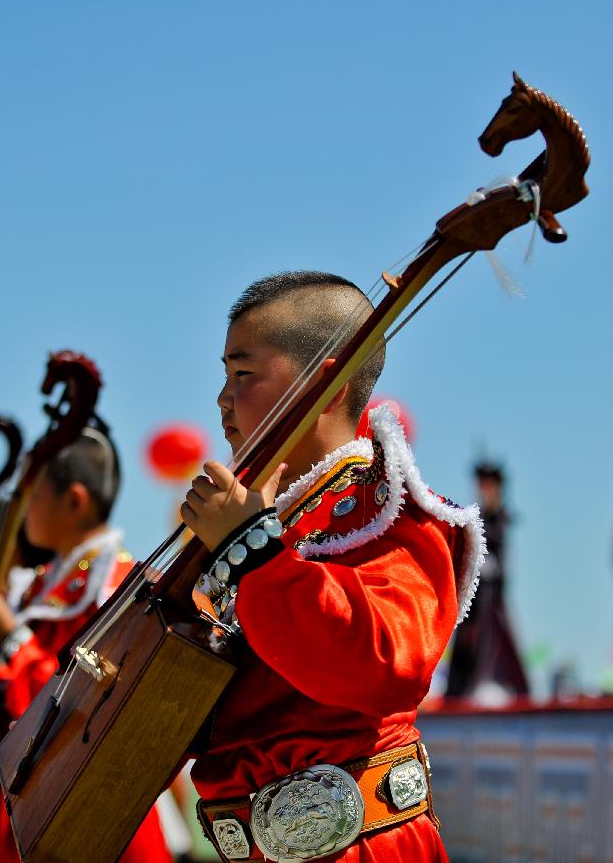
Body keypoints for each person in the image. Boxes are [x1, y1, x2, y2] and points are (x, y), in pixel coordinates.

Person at [181, 271, 484, 862]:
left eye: (243, 375)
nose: (222, 399)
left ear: (327, 386)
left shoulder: (388, 511)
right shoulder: (268, 516)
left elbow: (386, 664)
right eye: (223, 375)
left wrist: (252, 549)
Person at [0, 423, 172, 863]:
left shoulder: (116, 587)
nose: (22, 511)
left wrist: (10, 639)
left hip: (88, 812)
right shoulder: (40, 587)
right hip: (35, 804)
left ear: (74, 500)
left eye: (33, 495)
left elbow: (91, 712)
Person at [444, 462, 529, 703]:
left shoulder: (498, 518)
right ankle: (459, 694)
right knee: (467, 648)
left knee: (493, 643)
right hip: (475, 596)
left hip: (491, 599)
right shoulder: (478, 516)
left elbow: (499, 559)